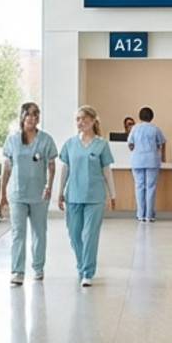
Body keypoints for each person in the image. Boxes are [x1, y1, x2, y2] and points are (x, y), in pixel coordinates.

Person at [55, 105, 117, 286]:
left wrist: (113, 194)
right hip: (73, 195)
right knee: (75, 234)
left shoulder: (101, 144)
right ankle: (81, 266)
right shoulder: (70, 144)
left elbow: (106, 171)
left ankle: (87, 272)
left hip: (95, 197)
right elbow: (65, 169)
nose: (80, 122)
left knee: (90, 235)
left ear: (93, 120)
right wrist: (60, 193)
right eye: (78, 119)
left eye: (84, 118)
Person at [2, 101, 57, 286]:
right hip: (17, 193)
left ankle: (38, 267)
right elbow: (7, 167)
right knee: (18, 232)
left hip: (39, 194)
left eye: (35, 114)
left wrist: (49, 186)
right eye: (29, 114)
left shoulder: (46, 140)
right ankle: (17, 271)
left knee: (39, 232)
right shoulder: (12, 140)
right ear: (22, 116)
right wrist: (2, 193)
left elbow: (51, 165)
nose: (32, 118)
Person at [126, 106, 166, 222]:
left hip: (137, 161)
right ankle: (149, 215)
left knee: (139, 187)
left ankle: (140, 214)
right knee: (150, 188)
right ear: (152, 117)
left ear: (139, 117)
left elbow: (130, 145)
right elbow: (161, 143)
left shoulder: (135, 129)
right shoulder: (155, 129)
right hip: (152, 160)